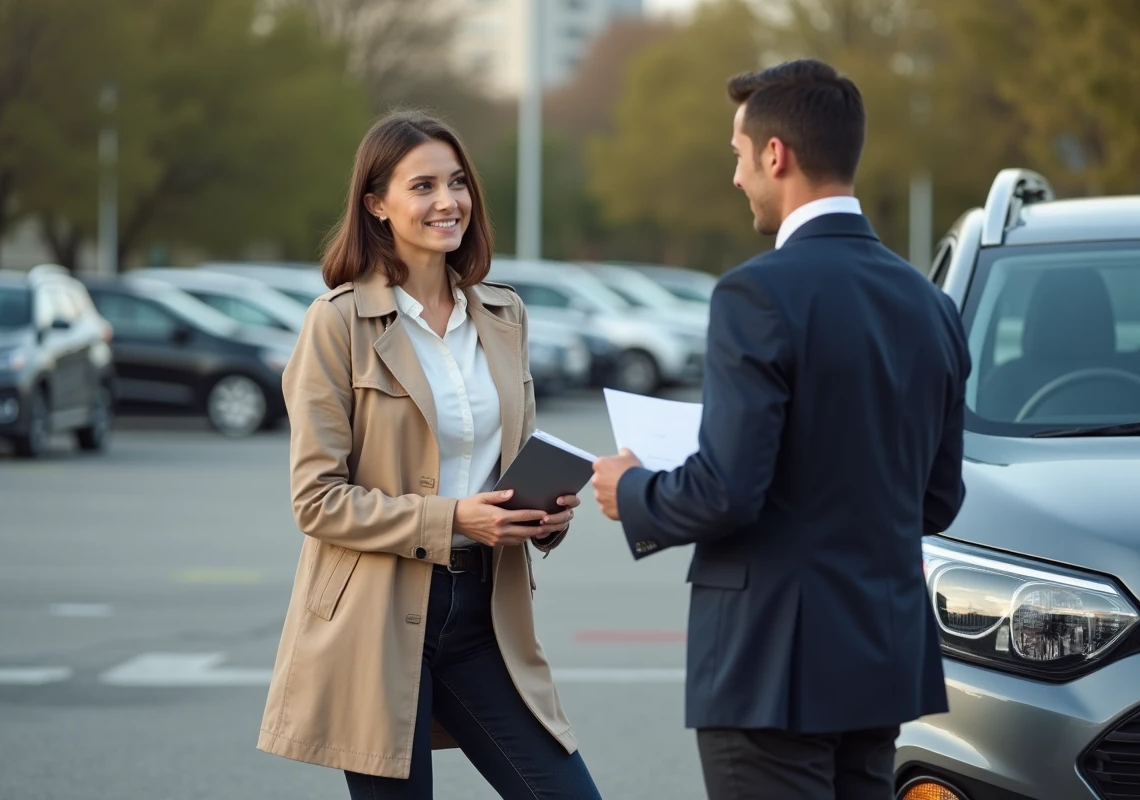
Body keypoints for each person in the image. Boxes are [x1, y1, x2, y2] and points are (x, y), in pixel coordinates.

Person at [590, 59, 970, 800]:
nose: (736, 178)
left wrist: (632, 490)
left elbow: (728, 491)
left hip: (771, 665)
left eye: (737, 155)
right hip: (882, 655)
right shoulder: (929, 303)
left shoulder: (755, 293)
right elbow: (937, 498)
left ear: (775, 154)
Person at [257, 110, 601, 800]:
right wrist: (454, 520)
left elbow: (510, 464)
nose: (448, 202)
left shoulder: (504, 316)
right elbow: (316, 500)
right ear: (377, 205)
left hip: (485, 614)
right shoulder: (338, 323)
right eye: (422, 187)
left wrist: (547, 515)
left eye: (457, 183)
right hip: (375, 620)